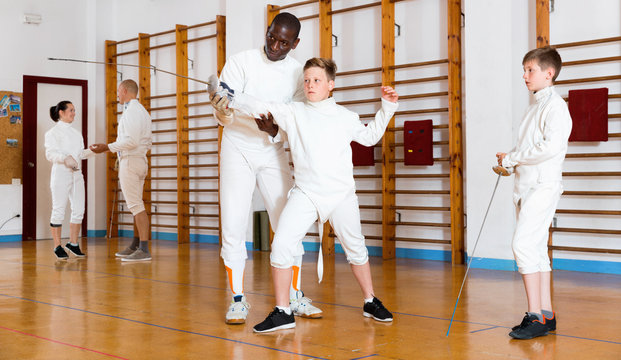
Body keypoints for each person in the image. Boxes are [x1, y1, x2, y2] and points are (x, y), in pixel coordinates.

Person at [221, 57, 398, 333]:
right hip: (306, 193)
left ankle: (370, 300)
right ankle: (283, 311)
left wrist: (387, 107)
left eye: (316, 80)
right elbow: (261, 106)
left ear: (330, 85)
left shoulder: (345, 117)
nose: (310, 85)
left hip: (341, 195)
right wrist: (231, 95)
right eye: (306, 80)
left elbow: (370, 137)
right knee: (281, 247)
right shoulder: (293, 112)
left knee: (356, 249)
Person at [210, 12, 322, 324]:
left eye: (283, 42)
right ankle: (237, 299)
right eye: (271, 37)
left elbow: (297, 120)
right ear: (267, 30)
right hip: (237, 146)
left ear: (295, 43)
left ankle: (295, 295)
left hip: (273, 151)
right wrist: (221, 110)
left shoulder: (299, 72)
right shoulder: (240, 61)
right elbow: (224, 112)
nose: (274, 45)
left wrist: (275, 131)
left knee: (288, 222)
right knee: (233, 222)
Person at [496, 46, 572, 340]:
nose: (525, 76)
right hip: (526, 187)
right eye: (524, 70)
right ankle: (547, 314)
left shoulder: (556, 106)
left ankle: (534, 316)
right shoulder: (535, 107)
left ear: (548, 73)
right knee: (537, 250)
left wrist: (514, 158)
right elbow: (532, 147)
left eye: (531, 70)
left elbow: (551, 147)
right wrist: (510, 157)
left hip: (542, 186)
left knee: (524, 246)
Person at [90, 79, 153, 262]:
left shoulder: (132, 111)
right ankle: (136, 244)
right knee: (136, 205)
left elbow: (131, 141)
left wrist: (106, 147)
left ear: (124, 90)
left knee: (136, 206)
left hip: (131, 162)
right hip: (138, 161)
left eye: (118, 91)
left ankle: (144, 249)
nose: (117, 95)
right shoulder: (141, 111)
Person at [44, 101, 93, 259]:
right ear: (61, 112)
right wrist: (65, 158)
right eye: (71, 110)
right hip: (61, 174)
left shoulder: (76, 133)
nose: (74, 113)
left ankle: (73, 243)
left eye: (74, 110)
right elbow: (50, 154)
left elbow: (80, 154)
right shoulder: (52, 133)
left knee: (79, 209)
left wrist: (92, 151)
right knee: (58, 209)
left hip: (77, 174)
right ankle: (57, 246)